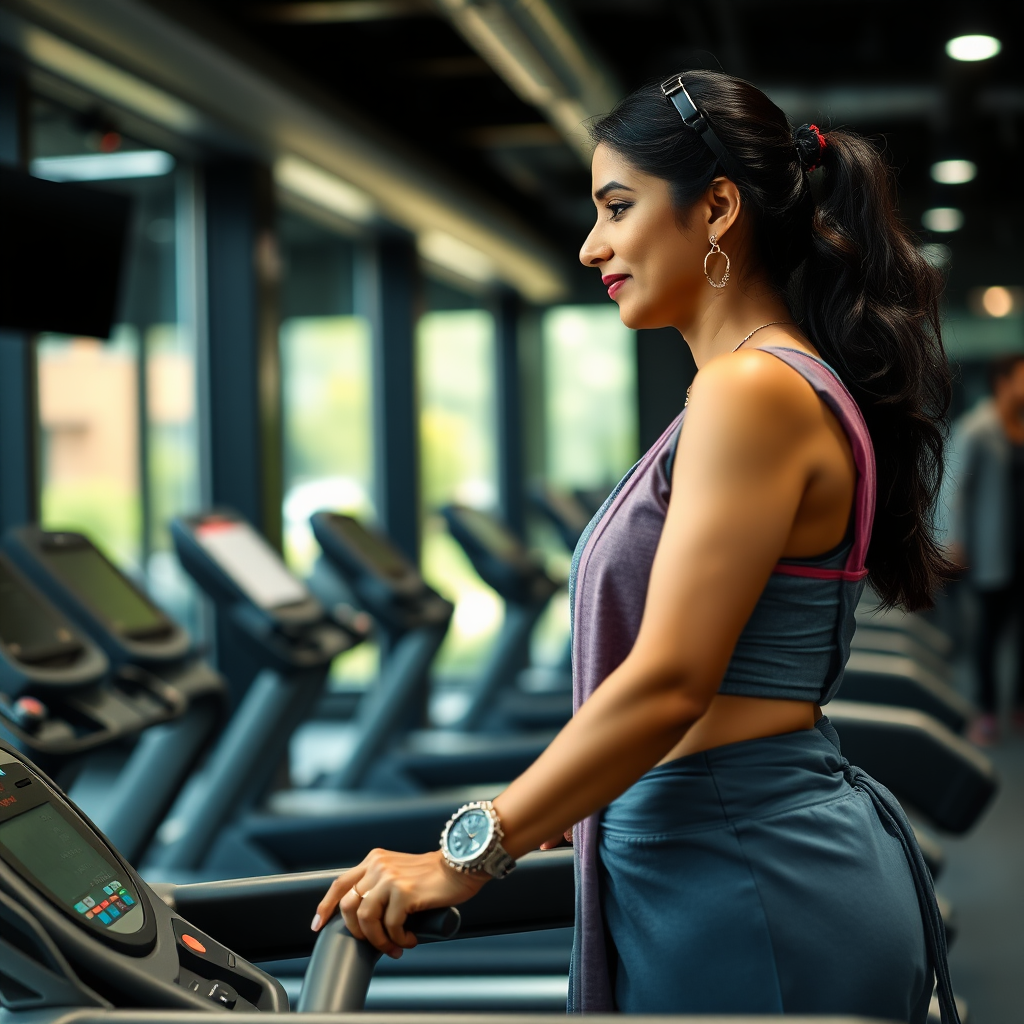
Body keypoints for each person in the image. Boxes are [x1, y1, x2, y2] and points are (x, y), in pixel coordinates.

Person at [311, 70, 958, 1022]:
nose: (592, 245)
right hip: (719, 852)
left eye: (617, 207)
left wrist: (470, 852)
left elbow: (668, 683)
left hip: (744, 873)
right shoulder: (754, 389)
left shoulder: (752, 394)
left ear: (717, 209)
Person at [942, 353, 1024, 745]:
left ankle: (1019, 705)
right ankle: (987, 711)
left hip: (1020, 548)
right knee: (988, 635)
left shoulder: (1020, 428)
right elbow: (954, 490)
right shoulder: (976, 428)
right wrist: (954, 541)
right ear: (1004, 382)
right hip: (993, 549)